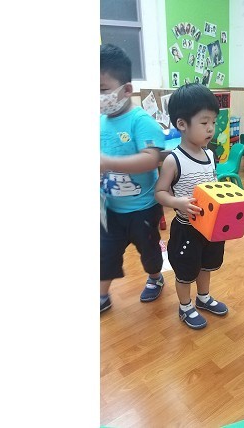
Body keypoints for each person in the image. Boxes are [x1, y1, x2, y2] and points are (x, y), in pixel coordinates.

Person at [155, 84, 229, 329]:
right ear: (182, 124)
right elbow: (160, 193)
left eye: (213, 122)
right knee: (186, 271)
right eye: (204, 122)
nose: (211, 128)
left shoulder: (210, 155)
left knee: (207, 264)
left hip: (210, 226)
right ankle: (185, 306)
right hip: (187, 228)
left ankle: (203, 298)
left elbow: (211, 185)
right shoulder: (173, 160)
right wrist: (177, 202)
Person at [99, 44, 166, 313]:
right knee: (105, 253)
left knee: (149, 253)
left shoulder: (141, 121)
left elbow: (151, 159)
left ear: (127, 89)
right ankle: (101, 296)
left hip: (143, 209)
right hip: (110, 209)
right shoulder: (99, 121)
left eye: (102, 89)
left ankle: (155, 277)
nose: (98, 97)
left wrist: (108, 163)